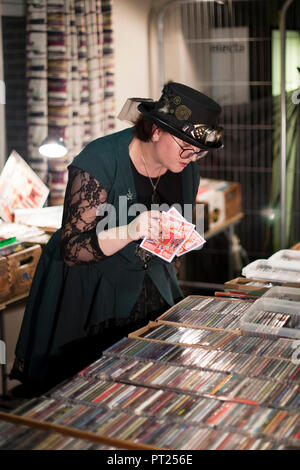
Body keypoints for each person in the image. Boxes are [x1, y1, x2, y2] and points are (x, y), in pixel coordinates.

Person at [10, 81, 223, 395]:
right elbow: (72, 248)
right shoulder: (99, 160)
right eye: (186, 148)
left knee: (150, 386)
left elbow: (174, 236)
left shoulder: (185, 169)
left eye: (199, 152)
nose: (192, 158)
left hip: (150, 286)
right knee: (89, 391)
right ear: (156, 131)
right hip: (91, 292)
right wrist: (130, 230)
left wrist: (177, 239)